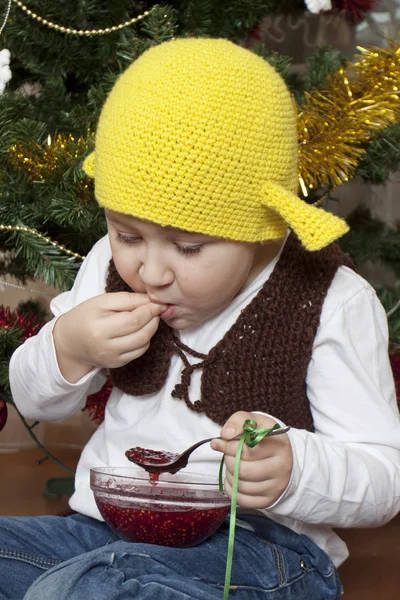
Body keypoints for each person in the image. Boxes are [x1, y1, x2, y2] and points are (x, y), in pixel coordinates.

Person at [4, 38, 400, 600]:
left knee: (88, 589)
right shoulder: (106, 264)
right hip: (100, 533)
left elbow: (385, 476)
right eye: (127, 234)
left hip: (262, 550)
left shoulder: (332, 300)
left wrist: (295, 469)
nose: (151, 271)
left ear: (261, 226)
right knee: (85, 578)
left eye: (187, 247)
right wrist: (70, 347)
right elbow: (36, 400)